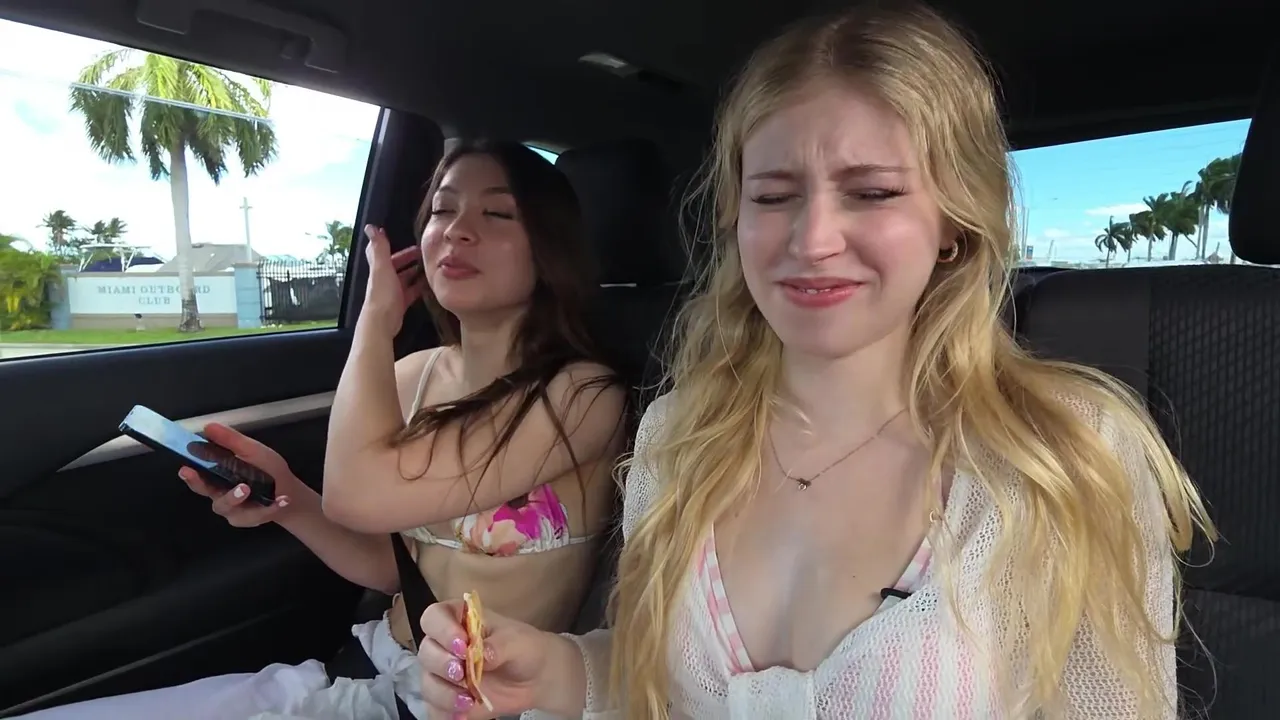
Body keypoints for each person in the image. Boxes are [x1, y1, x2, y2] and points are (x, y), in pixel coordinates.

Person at [413, 6, 1216, 720]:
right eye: (774, 196)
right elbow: (657, 685)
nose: (813, 239)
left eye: (872, 193)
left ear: (953, 222)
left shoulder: (1067, 454)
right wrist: (558, 671)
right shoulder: (677, 434)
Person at [22, 140, 627, 720]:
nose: (457, 230)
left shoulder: (582, 396)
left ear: (549, 246)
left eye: (497, 213)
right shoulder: (413, 375)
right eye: (443, 210)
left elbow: (355, 496)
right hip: (370, 670)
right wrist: (283, 494)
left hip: (475, 706)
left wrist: (374, 323)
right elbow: (398, 567)